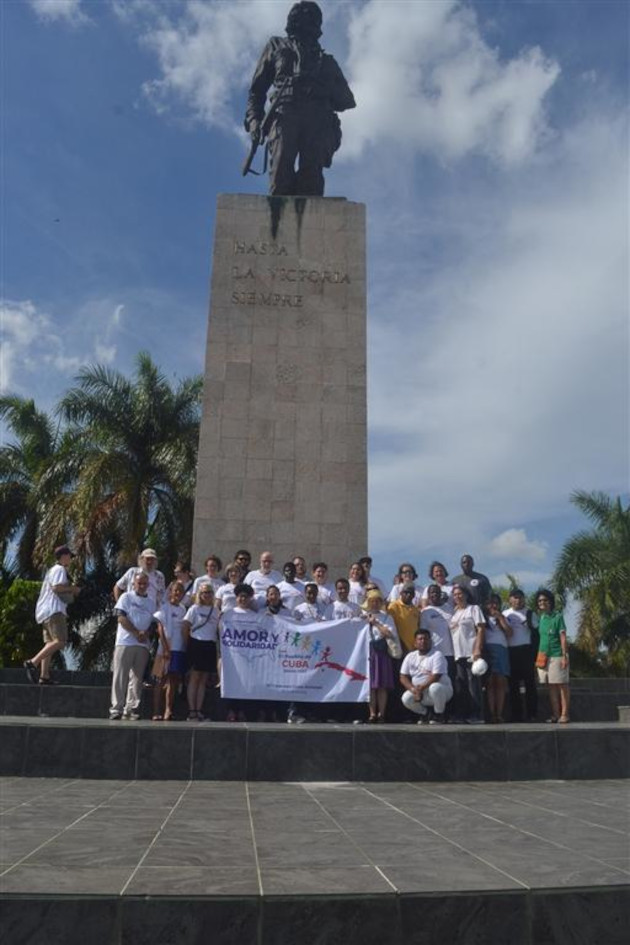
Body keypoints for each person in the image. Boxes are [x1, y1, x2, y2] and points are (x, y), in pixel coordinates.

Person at [244, 1, 356, 196]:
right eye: (302, 15)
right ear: (293, 19)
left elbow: (347, 100)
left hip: (317, 117)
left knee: (311, 182)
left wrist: (324, 85)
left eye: (312, 17)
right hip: (284, 113)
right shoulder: (276, 45)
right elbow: (257, 91)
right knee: (280, 179)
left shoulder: (327, 61)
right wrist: (254, 121)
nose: (307, 20)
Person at [26, 545, 80, 685]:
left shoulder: (52, 570)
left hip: (45, 612)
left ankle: (44, 676)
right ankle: (33, 662)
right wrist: (72, 589)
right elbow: (57, 588)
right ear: (63, 556)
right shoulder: (59, 569)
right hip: (54, 610)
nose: (70, 560)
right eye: (69, 556)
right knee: (60, 641)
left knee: (50, 643)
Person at [109, 571, 155, 720]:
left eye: (144, 583)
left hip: (143, 645)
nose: (141, 586)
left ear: (148, 585)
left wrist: (146, 634)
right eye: (139, 583)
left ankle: (132, 708)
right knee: (120, 675)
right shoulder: (126, 597)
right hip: (125, 641)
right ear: (134, 584)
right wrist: (136, 632)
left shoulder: (151, 602)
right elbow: (120, 617)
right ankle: (116, 708)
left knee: (137, 678)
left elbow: (154, 624)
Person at [183, 581, 220, 721]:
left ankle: (199, 710)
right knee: (194, 678)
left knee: (203, 680)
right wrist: (188, 645)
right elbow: (185, 627)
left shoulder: (216, 611)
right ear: (200, 594)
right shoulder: (194, 608)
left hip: (209, 644)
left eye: (209, 592)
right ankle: (191, 711)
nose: (207, 595)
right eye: (204, 592)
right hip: (196, 643)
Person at [449, 584, 487, 723]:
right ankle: (463, 715)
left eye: (460, 593)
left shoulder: (474, 609)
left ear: (466, 594)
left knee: (473, 684)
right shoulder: (454, 612)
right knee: (461, 685)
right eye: (455, 594)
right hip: (458, 654)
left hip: (471, 652)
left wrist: (477, 648)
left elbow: (481, 629)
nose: (457, 596)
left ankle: (477, 715)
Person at [400, 628, 454, 724]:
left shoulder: (437, 655)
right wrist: (413, 689)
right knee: (406, 698)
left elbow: (436, 676)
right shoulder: (410, 656)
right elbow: (403, 676)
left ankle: (439, 715)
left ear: (430, 641)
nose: (423, 641)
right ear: (415, 642)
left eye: (426, 639)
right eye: (420, 639)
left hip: (441, 691)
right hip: (419, 692)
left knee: (435, 687)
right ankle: (426, 714)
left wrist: (421, 688)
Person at [363, 588, 401, 723]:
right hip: (367, 652)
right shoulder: (363, 616)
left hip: (382, 652)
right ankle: (372, 713)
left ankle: (382, 714)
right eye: (372, 601)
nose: (374, 603)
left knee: (382, 685)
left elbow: (390, 634)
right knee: (370, 685)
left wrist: (376, 623)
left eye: (377, 601)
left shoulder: (386, 617)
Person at [152, 582, 187, 721]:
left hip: (179, 649)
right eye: (175, 590)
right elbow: (160, 628)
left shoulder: (184, 609)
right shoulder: (164, 607)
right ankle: (156, 711)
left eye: (180, 591)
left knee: (173, 681)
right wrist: (166, 648)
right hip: (164, 650)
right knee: (160, 680)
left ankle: (168, 709)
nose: (177, 593)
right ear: (170, 592)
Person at [503, 588, 538, 722]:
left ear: (524, 599)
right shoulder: (505, 614)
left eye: (520, 597)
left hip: (526, 651)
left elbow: (536, 633)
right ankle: (516, 715)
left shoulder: (530, 614)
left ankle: (532, 714)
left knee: (530, 684)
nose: (517, 600)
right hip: (511, 651)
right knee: (513, 686)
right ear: (510, 600)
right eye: (515, 598)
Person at [536, 589, 570, 723]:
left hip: (557, 655)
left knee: (562, 685)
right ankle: (555, 714)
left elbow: (562, 637)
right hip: (543, 655)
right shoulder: (541, 618)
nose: (542, 603)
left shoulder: (558, 616)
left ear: (550, 601)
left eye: (544, 600)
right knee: (551, 686)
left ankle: (565, 714)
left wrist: (564, 655)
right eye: (539, 601)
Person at [419, 584, 456, 710]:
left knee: (449, 684)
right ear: (428, 596)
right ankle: (434, 712)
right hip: (434, 654)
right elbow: (423, 633)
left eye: (436, 592)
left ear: (441, 593)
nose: (434, 595)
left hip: (450, 653)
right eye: (431, 593)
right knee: (433, 684)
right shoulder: (425, 612)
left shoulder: (450, 608)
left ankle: (450, 712)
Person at [484, 594, 512, 723]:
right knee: (490, 683)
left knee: (500, 682)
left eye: (496, 603)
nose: (493, 606)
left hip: (501, 649)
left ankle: (499, 714)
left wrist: (500, 618)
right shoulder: (482, 618)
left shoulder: (504, 618)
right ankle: (491, 713)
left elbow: (510, 633)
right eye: (490, 603)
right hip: (488, 650)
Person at [386, 583, 421, 654]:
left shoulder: (415, 610)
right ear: (401, 593)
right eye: (406, 592)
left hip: (413, 649)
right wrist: (400, 643)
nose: (409, 595)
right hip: (399, 647)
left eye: (411, 593)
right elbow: (391, 627)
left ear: (414, 595)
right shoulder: (393, 606)